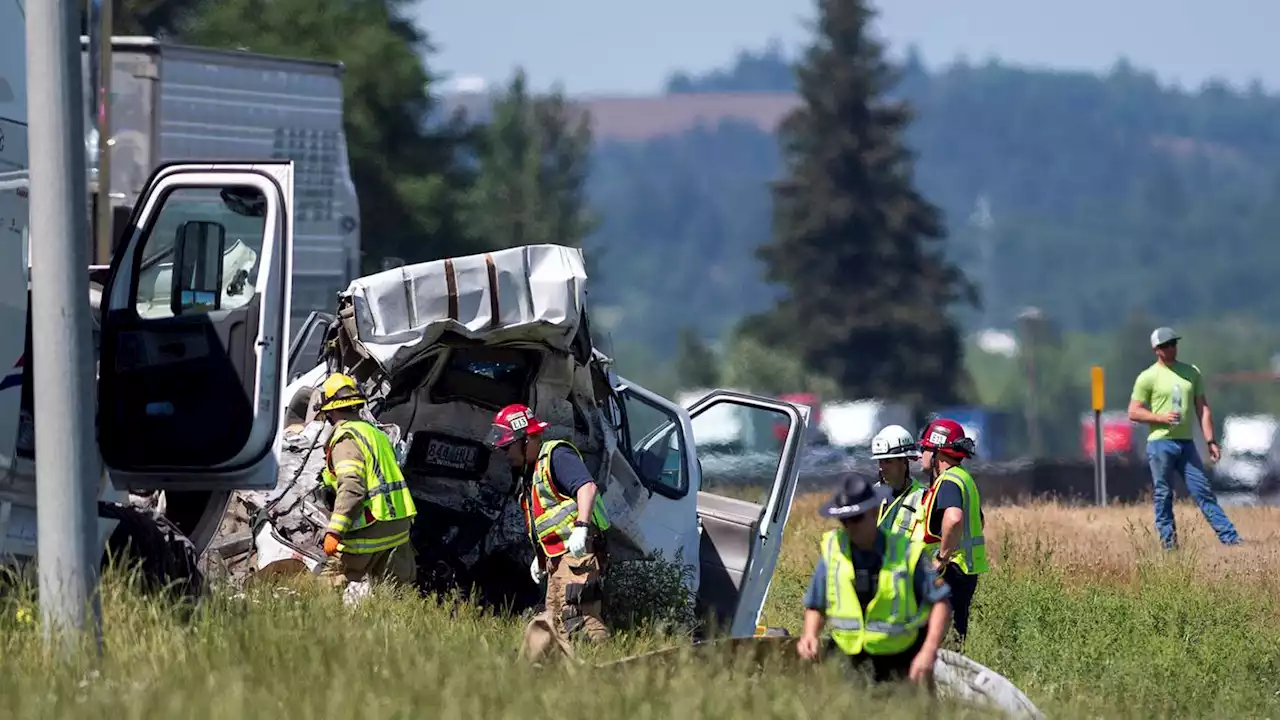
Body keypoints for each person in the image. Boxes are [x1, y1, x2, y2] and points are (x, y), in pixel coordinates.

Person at [797, 474, 952, 688]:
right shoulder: (833, 551)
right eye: (845, 521)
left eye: (857, 518)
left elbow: (940, 603)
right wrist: (810, 635)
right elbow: (816, 604)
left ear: (874, 511)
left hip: (900, 662)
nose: (851, 526)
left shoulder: (906, 552)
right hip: (848, 662)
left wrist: (928, 651)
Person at [486, 403, 612, 643]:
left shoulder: (557, 455)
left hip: (577, 555)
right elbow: (545, 521)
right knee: (554, 623)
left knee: (581, 619)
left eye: (508, 447)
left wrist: (582, 528)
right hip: (557, 559)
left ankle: (604, 671)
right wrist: (541, 558)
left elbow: (587, 487)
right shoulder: (531, 472)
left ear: (526, 440)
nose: (506, 454)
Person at [1128, 327, 1241, 549]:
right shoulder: (1147, 377)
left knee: (1202, 491)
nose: (1172, 348)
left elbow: (1203, 408)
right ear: (1157, 350)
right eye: (1167, 345)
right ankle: (1169, 545)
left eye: (1174, 343)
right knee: (1163, 494)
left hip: (1187, 444)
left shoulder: (1191, 373)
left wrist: (1210, 440)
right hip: (1160, 443)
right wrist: (1160, 417)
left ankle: (1230, 539)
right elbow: (1133, 412)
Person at [314, 372, 419, 590]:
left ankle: (318, 623)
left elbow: (352, 487)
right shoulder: (376, 433)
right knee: (395, 596)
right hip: (398, 526)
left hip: (371, 526)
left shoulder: (346, 438)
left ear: (330, 410)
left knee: (327, 584)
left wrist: (334, 531)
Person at [915, 418, 987, 647]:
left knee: (936, 639)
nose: (920, 455)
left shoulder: (948, 481)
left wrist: (941, 557)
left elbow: (954, 518)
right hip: (964, 570)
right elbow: (980, 520)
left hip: (951, 571)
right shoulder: (964, 478)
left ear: (938, 451)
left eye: (924, 448)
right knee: (954, 638)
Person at [870, 424, 928, 539]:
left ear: (904, 462)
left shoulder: (923, 498)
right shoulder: (871, 495)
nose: (882, 467)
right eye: (880, 461)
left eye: (888, 461)